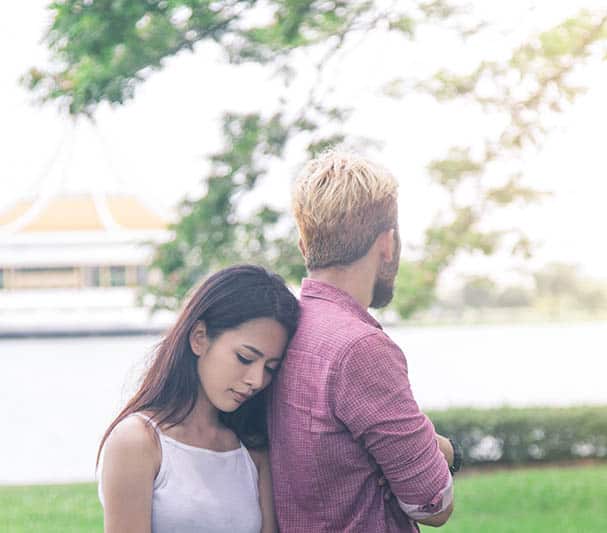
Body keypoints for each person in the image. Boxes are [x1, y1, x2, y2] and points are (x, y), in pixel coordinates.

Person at [269, 151, 460, 532]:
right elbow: (432, 503)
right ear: (387, 243)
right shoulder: (360, 348)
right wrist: (445, 451)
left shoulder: (283, 327)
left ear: (304, 246)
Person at [97, 264, 299, 533]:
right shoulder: (139, 442)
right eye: (245, 358)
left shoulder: (252, 449)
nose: (257, 380)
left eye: (270, 368)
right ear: (199, 338)